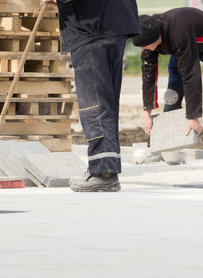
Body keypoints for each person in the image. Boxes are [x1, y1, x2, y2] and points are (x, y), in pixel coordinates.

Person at [56, 0, 141, 192]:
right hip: (115, 23)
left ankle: (104, 173)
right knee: (106, 104)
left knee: (94, 106)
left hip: (92, 28)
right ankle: (106, 167)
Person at [132, 7, 203, 159]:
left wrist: (192, 116)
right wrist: (147, 111)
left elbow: (191, 74)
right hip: (183, 48)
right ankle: (167, 145)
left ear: (155, 38)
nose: (143, 49)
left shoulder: (178, 33)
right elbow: (148, 76)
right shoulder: (148, 36)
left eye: (144, 46)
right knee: (172, 95)